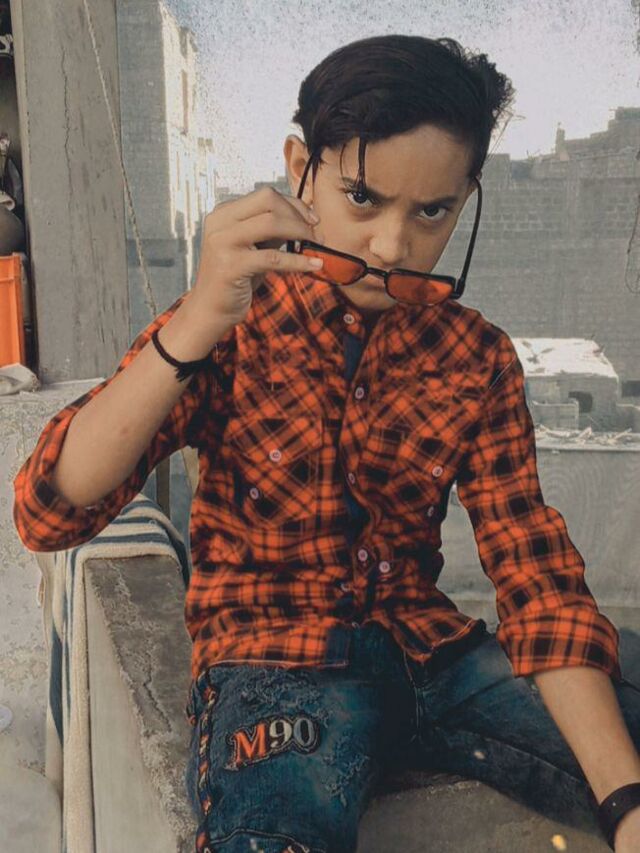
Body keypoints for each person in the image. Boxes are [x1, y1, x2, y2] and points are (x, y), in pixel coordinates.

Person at [13, 33, 640, 853]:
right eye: (363, 198)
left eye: (431, 211)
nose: (392, 245)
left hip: (433, 652)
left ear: (466, 199)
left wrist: (626, 804)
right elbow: (49, 512)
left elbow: (534, 574)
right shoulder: (232, 325)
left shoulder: (474, 355)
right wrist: (198, 319)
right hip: (276, 665)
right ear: (300, 169)